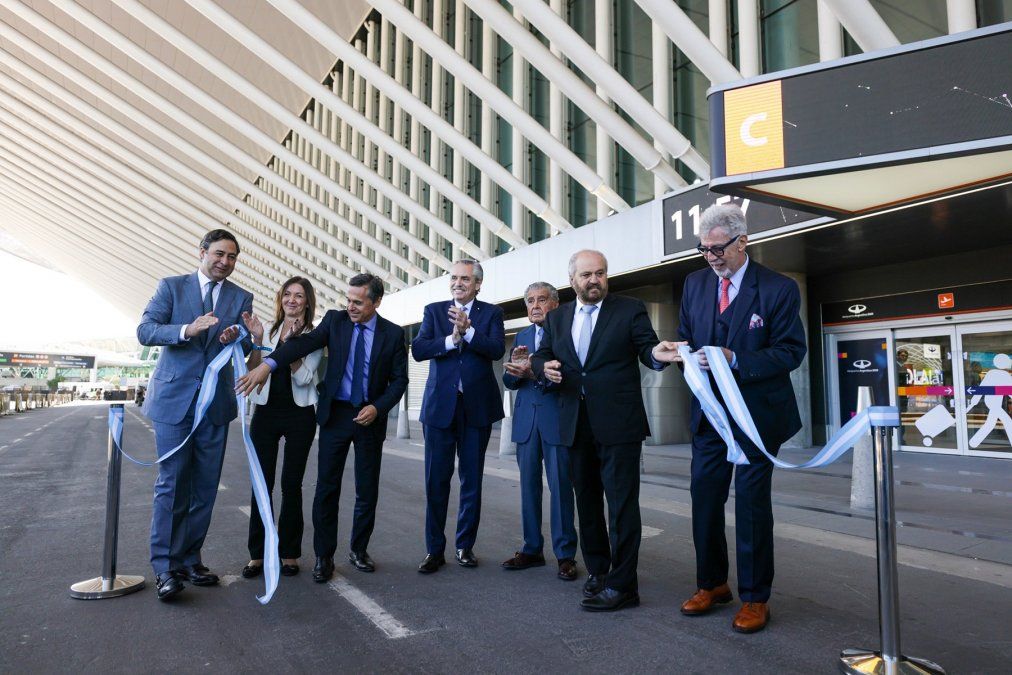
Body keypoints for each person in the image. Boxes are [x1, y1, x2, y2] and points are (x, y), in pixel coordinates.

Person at [673, 202, 806, 634]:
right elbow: (689, 342)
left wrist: (736, 359)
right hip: (709, 416)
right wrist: (679, 355)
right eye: (703, 249)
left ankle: (754, 597)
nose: (710, 257)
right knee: (704, 500)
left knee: (751, 507)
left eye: (718, 249)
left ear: (742, 241)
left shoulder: (779, 288)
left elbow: (790, 351)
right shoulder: (694, 284)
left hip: (757, 420)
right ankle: (712, 585)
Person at [237, 274, 408, 581]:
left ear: (376, 302)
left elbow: (400, 381)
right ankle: (323, 556)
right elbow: (302, 345)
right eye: (348, 300)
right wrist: (267, 364)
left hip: (369, 415)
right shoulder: (335, 321)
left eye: (358, 301)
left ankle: (358, 550)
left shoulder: (393, 334)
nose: (351, 306)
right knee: (326, 487)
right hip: (336, 415)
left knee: (366, 489)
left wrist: (378, 407)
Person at [531, 250, 676, 612]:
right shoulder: (557, 317)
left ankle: (625, 584)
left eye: (600, 274)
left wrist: (659, 354)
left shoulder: (629, 309)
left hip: (619, 424)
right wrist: (542, 367)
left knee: (623, 506)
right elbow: (540, 355)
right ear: (572, 281)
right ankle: (598, 570)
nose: (594, 280)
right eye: (586, 275)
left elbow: (647, 348)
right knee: (589, 503)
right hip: (574, 423)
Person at [137, 229, 254, 601]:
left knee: (204, 487)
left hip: (216, 405)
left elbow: (246, 344)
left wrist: (239, 335)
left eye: (232, 257)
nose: (225, 262)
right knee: (172, 484)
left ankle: (190, 559)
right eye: (219, 254)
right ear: (202, 252)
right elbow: (145, 330)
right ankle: (164, 568)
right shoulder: (171, 287)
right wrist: (188, 329)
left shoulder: (241, 296)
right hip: (175, 403)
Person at [412, 260, 505, 573]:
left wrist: (469, 331)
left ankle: (465, 546)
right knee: (436, 481)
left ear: (477, 284)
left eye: (465, 279)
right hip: (440, 409)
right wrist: (453, 339)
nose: (458, 283)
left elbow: (495, 350)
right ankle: (434, 550)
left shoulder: (492, 313)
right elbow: (420, 349)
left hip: (476, 409)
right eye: (454, 278)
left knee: (471, 482)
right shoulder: (434, 311)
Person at [238, 277, 323, 579]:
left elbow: (304, 378)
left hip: (300, 415)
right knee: (262, 483)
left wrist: (292, 348)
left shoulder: (314, 336)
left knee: (291, 485)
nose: (292, 300)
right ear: (280, 299)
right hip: (266, 413)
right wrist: (260, 340)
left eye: (299, 296)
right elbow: (253, 371)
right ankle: (257, 555)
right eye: (287, 294)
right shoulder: (269, 331)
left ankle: (289, 553)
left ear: (307, 302)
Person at [501, 282, 578, 581]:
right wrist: (515, 370)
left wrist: (533, 371)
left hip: (556, 421)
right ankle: (531, 548)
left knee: (561, 488)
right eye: (530, 301)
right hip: (526, 423)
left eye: (542, 300)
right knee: (528, 489)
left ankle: (565, 555)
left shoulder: (567, 331)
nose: (535, 306)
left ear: (555, 304)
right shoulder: (521, 336)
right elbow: (510, 383)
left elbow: (568, 376)